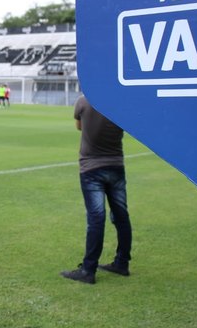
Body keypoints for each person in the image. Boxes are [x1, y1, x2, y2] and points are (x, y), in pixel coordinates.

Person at [60, 95, 132, 284]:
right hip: (116, 165)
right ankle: (122, 263)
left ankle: (88, 270)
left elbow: (79, 126)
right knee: (121, 216)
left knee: (96, 218)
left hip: (91, 167)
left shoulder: (83, 102)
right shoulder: (120, 103)